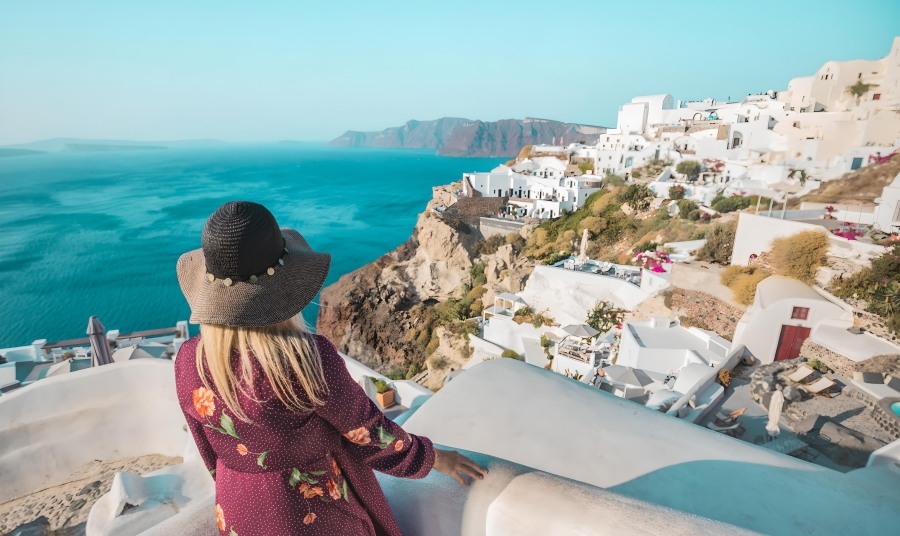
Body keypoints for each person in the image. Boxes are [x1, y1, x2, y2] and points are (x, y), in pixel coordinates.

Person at [174, 201, 486, 535]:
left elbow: (208, 452)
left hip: (237, 506)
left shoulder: (189, 361)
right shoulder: (306, 360)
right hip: (312, 511)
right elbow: (370, 434)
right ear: (286, 285)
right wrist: (434, 458)